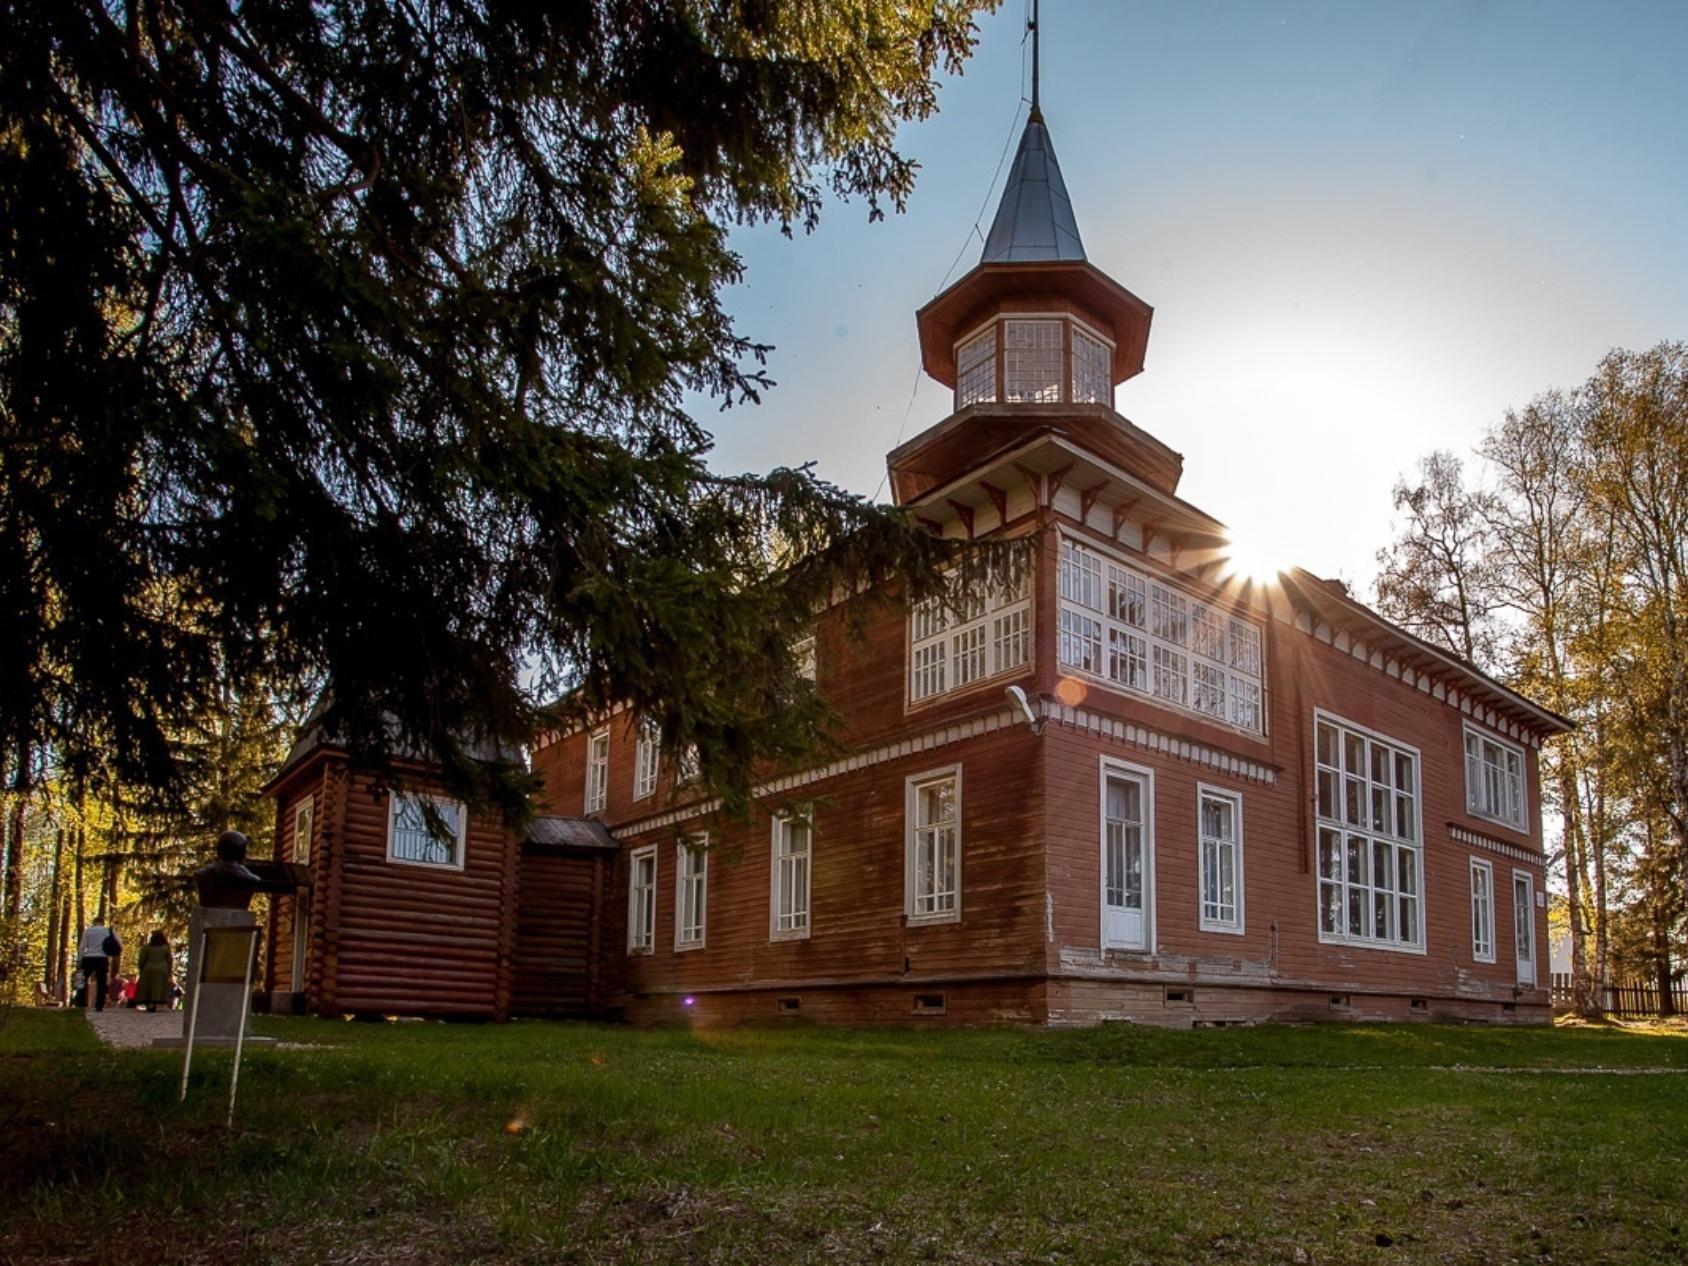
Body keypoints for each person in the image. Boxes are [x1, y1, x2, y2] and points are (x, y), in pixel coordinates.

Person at [75, 916, 121, 1011]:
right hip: (102, 958)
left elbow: (82, 946)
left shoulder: (88, 931)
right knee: (101, 982)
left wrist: (79, 959)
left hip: (88, 958)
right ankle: (99, 1004)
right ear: (103, 922)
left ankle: (81, 1002)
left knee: (83, 980)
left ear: (94, 922)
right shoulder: (108, 931)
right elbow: (119, 942)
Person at [134, 930, 174, 1013]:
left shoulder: (147, 947)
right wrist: (169, 971)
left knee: (148, 987)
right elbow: (169, 960)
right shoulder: (166, 948)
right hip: (162, 970)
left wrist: (141, 969)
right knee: (158, 987)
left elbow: (142, 960)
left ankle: (149, 1003)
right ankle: (155, 1001)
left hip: (148, 969)